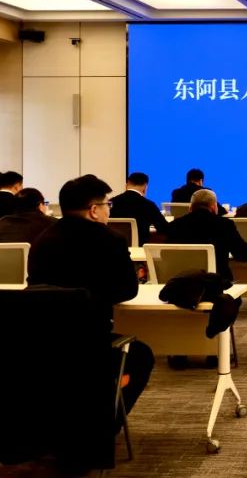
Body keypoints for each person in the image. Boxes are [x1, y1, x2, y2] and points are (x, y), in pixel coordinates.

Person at [27, 174, 153, 414]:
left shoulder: (42, 240)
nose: (109, 210)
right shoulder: (111, 240)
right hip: (89, 343)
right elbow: (128, 289)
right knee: (142, 355)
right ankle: (105, 421)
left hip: (39, 342)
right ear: (94, 210)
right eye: (107, 204)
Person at [166, 189, 247, 285]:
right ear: (214, 207)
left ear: (190, 208)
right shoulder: (225, 225)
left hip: (182, 285)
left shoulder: (174, 225)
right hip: (217, 285)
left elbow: (166, 255)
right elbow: (245, 255)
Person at [111, 172, 170, 245]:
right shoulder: (148, 205)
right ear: (145, 187)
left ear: (126, 186)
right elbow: (164, 228)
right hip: (140, 248)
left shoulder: (111, 202)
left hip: (114, 247)